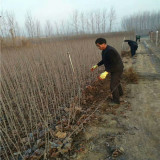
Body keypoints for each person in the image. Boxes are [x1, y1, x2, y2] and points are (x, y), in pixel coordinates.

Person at [91, 38, 124, 105]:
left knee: (113, 85)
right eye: (97, 46)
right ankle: (120, 93)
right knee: (116, 81)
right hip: (114, 69)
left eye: (98, 45)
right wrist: (97, 65)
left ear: (103, 44)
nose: (98, 47)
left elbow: (114, 63)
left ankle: (116, 101)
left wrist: (106, 72)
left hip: (117, 69)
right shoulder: (104, 50)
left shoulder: (110, 51)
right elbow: (104, 60)